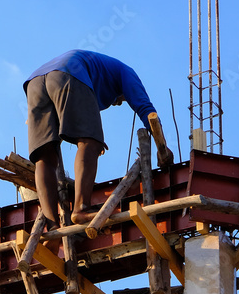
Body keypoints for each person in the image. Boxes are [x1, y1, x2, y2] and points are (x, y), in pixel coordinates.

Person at [24, 49, 173, 229]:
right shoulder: (127, 73)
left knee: (45, 157)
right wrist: (162, 147)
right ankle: (81, 209)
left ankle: (52, 226)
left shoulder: (100, 74)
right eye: (121, 100)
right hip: (69, 72)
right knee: (91, 142)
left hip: (35, 83)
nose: (117, 103)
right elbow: (147, 110)